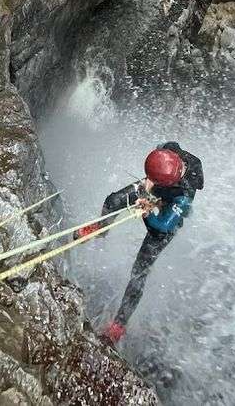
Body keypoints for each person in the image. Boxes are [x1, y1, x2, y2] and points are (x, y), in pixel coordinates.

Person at [76, 142, 204, 345]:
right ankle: (101, 229)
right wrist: (149, 186)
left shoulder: (185, 194)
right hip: (160, 184)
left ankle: (119, 325)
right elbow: (155, 170)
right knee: (113, 201)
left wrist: (147, 213)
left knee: (139, 271)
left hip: (167, 216)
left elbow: (161, 226)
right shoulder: (170, 150)